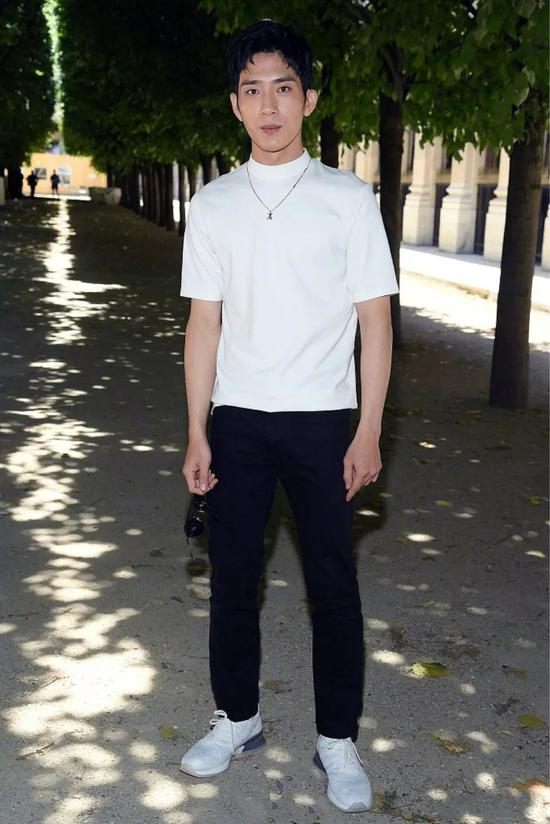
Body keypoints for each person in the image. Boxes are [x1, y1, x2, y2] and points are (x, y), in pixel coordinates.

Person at [179, 19, 399, 814]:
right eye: (252, 90)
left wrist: (369, 429)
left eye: (283, 88)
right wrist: (198, 429)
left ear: (308, 99)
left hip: (323, 423)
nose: (268, 105)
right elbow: (204, 323)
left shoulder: (348, 200)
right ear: (235, 104)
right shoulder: (212, 205)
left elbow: (376, 322)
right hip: (238, 422)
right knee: (233, 583)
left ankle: (337, 739)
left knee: (333, 588)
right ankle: (236, 719)